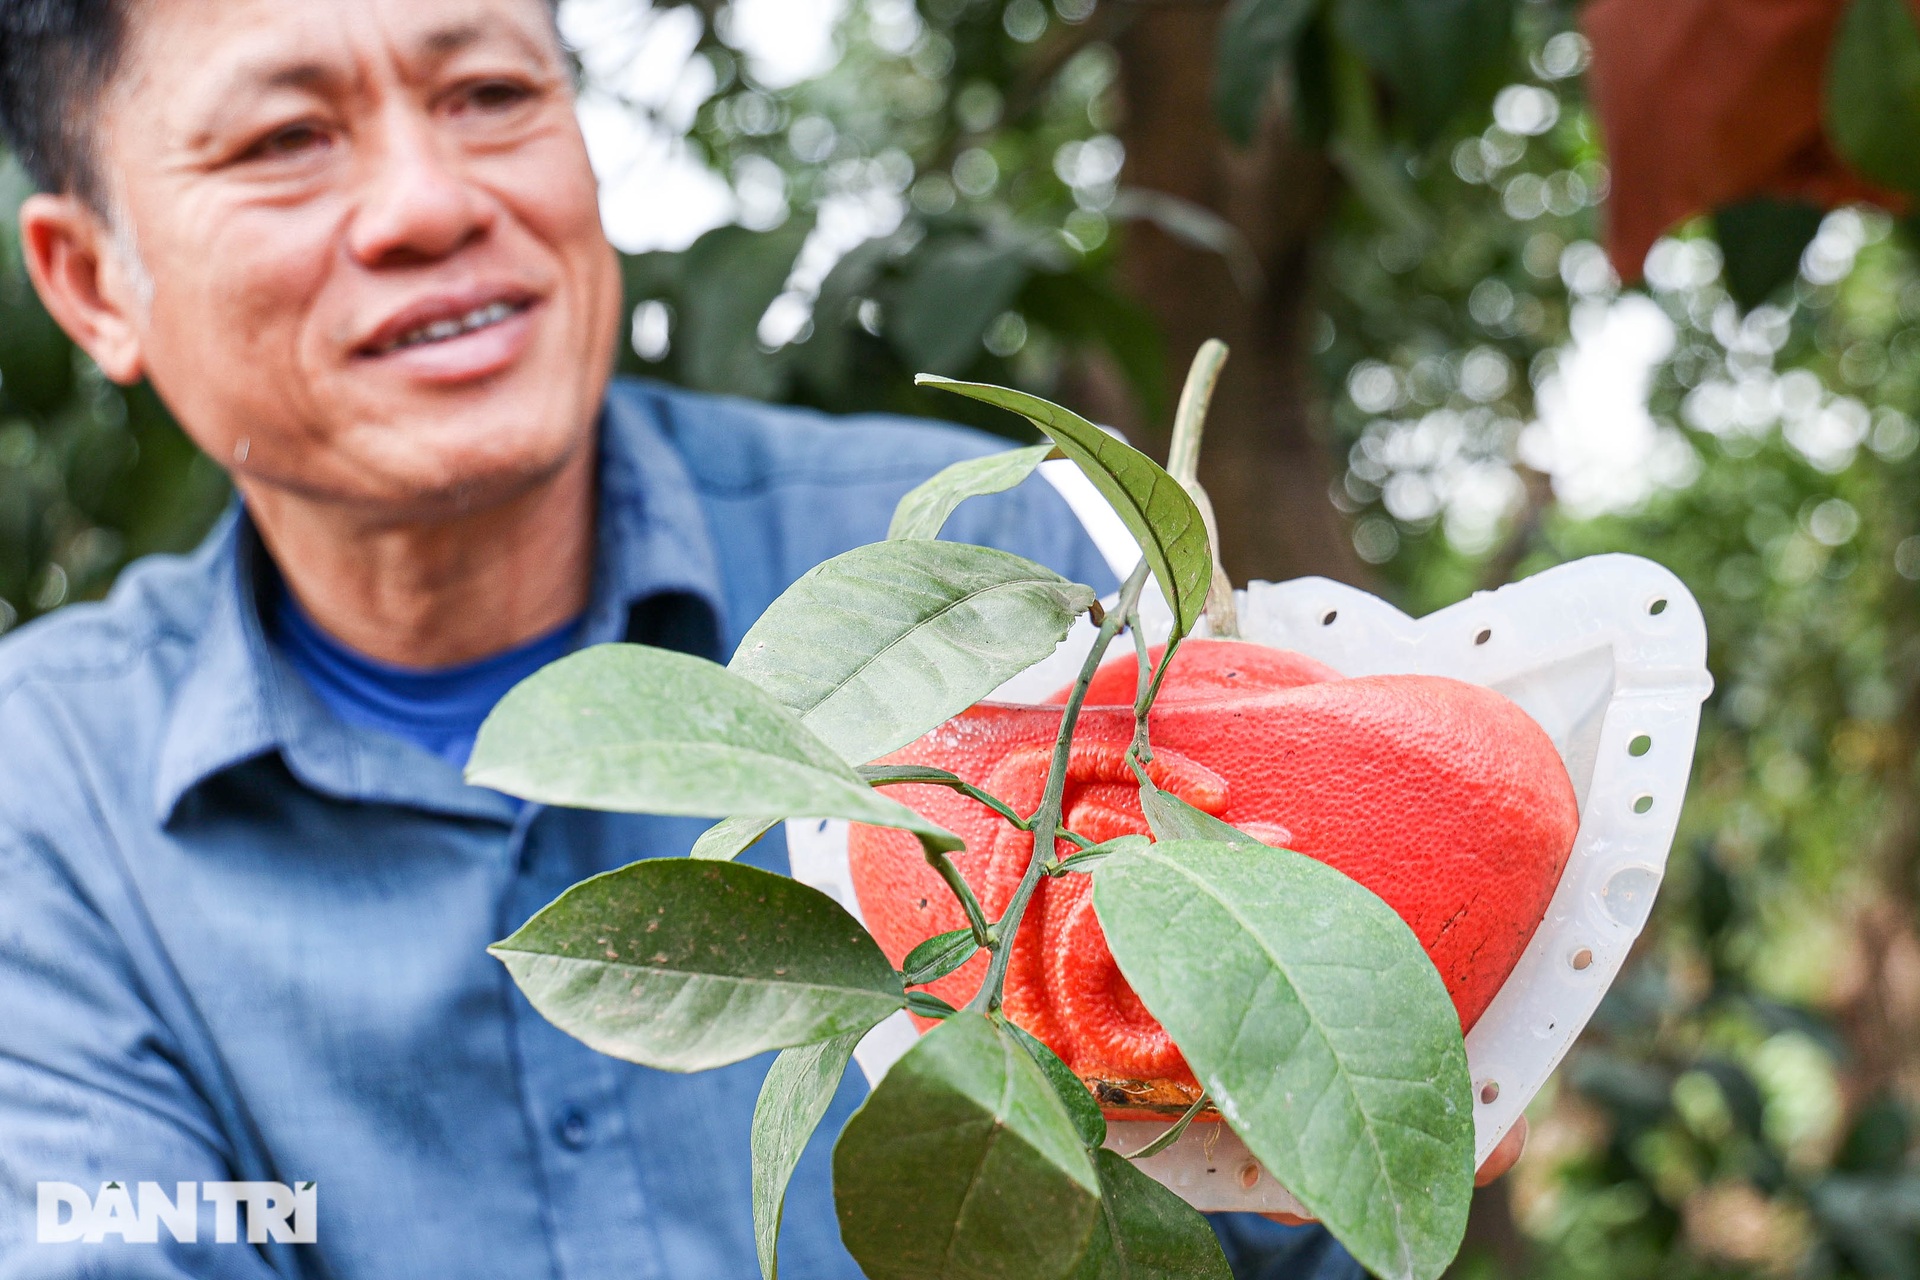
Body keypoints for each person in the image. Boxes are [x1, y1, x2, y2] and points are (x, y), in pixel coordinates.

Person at [0, 1, 1519, 1276]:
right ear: (88, 281)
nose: (430, 202)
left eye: (490, 94)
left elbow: (1288, 1206)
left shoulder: (997, 580)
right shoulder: (44, 795)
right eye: (283, 140)